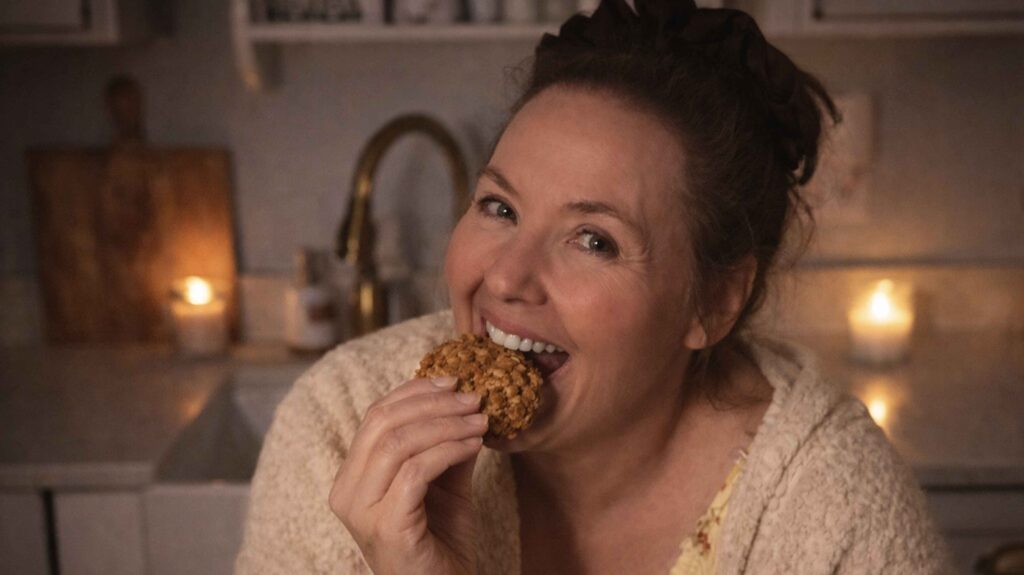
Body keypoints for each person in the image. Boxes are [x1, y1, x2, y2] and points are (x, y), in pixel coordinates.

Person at [236, 0, 951, 573]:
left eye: (594, 240)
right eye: (499, 207)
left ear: (713, 302)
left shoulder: (832, 504)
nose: (506, 277)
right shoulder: (338, 428)